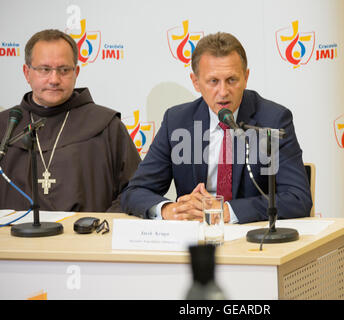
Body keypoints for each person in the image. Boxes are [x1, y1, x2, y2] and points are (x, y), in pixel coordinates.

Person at [121, 32, 311, 224]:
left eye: (232, 80)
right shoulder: (177, 121)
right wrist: (171, 209)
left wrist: (227, 211)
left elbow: (298, 198)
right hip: (195, 238)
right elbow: (135, 192)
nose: (223, 92)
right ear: (196, 82)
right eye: (213, 81)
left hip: (250, 237)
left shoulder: (273, 119)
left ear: (245, 77)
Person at [0, 29, 141, 212]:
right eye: (44, 69)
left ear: (76, 72)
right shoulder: (5, 126)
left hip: (88, 238)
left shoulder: (107, 125)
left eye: (64, 70)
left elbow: (136, 190)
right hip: (12, 239)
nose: (54, 79)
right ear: (27, 73)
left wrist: (101, 227)